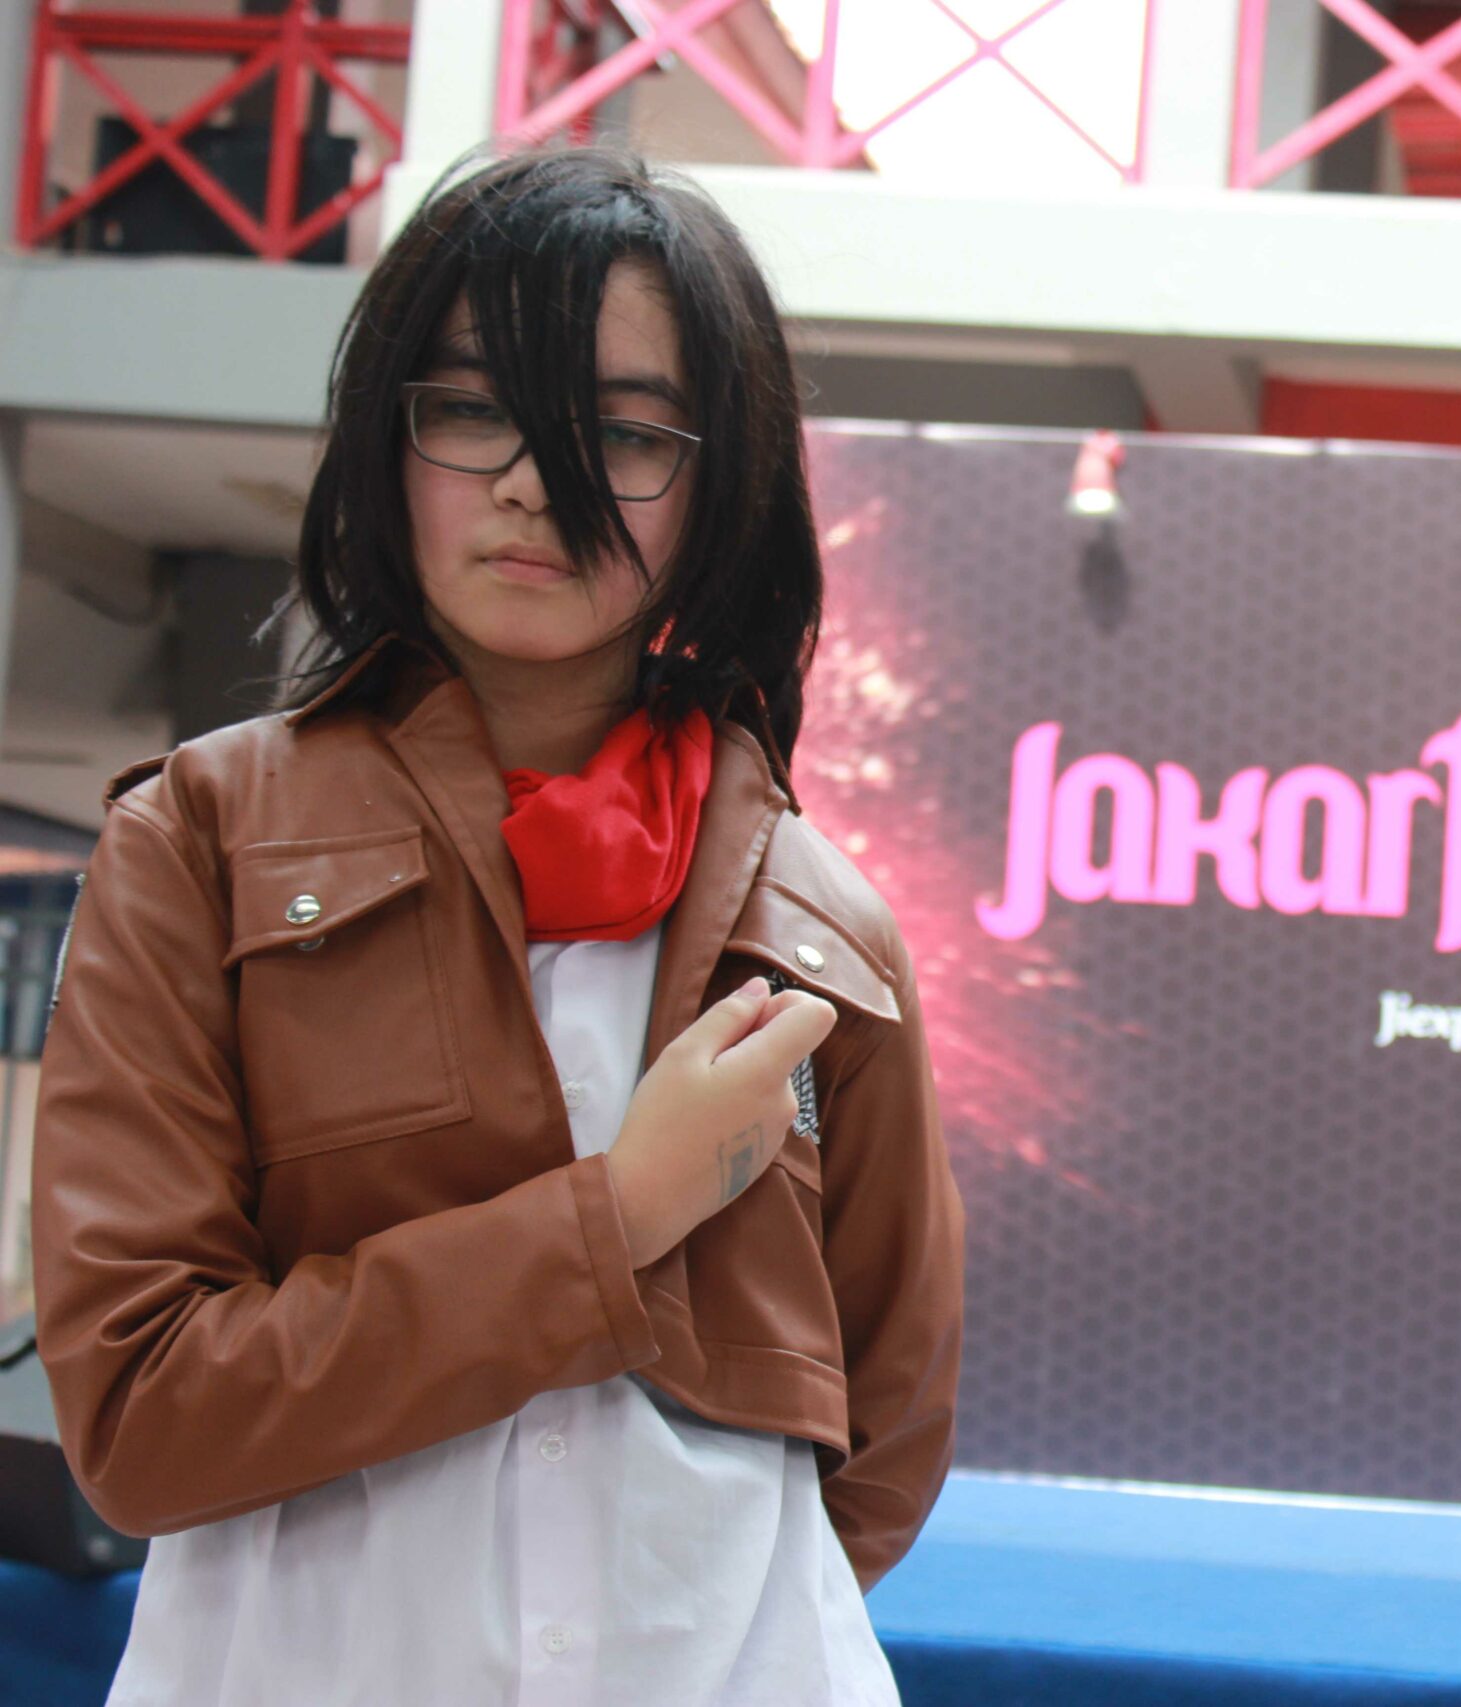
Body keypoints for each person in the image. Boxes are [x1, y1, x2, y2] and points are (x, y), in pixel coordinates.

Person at [28, 143, 965, 1706]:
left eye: (626, 433)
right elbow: (142, 1417)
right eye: (472, 411)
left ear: (721, 486)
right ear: (384, 438)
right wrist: (619, 1218)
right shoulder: (199, 839)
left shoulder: (824, 924)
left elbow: (880, 1446)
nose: (537, 482)